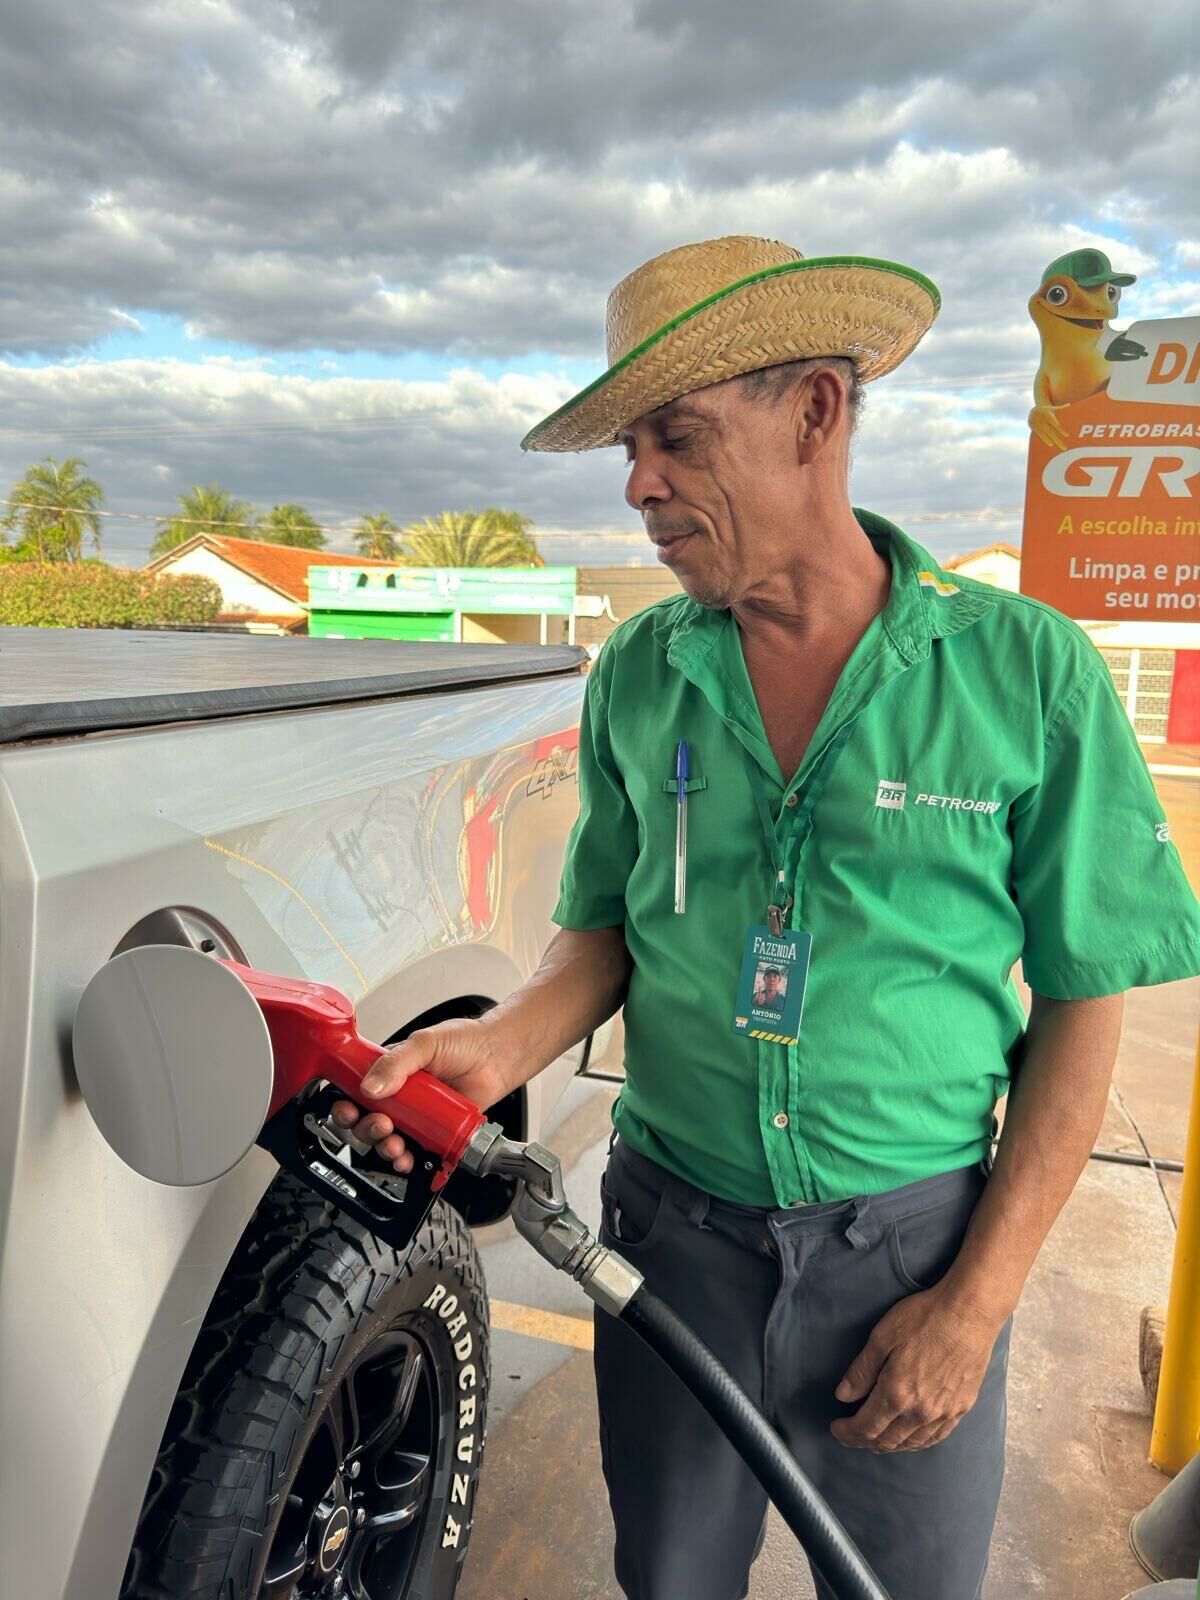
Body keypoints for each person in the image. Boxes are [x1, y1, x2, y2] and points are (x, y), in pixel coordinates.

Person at [332, 235, 1200, 1600]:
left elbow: (1089, 1005)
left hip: (913, 1254)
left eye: (674, 437)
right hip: (671, 1249)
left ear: (814, 413)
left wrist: (973, 1307)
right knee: (671, 1583)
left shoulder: (1028, 672)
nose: (638, 486)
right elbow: (601, 931)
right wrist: (500, 1046)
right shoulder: (640, 672)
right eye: (631, 446)